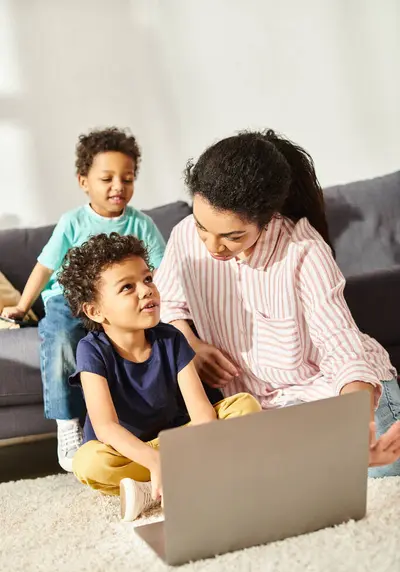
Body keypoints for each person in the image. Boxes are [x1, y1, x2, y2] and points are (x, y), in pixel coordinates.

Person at [154, 129, 400, 478]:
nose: (213, 246)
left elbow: (341, 346)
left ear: (267, 218)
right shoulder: (183, 237)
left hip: (330, 388)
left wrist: (355, 422)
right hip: (259, 406)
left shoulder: (303, 251)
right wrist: (191, 344)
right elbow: (166, 305)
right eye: (203, 228)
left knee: (380, 469)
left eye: (233, 236)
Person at [58, 233, 260, 521]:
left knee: (244, 406)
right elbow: (105, 428)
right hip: (130, 451)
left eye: (148, 279)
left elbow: (201, 411)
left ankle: (150, 488)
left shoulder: (171, 338)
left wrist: (181, 451)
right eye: (128, 287)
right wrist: (154, 460)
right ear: (95, 311)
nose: (146, 290)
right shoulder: (91, 350)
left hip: (181, 440)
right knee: (88, 462)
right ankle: (182, 475)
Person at [1, 127, 166, 472]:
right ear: (83, 181)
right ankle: (67, 422)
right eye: (106, 178)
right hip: (71, 301)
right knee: (61, 338)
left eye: (127, 178)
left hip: (122, 307)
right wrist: (23, 304)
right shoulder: (73, 222)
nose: (118, 186)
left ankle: (143, 423)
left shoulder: (143, 225)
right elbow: (45, 267)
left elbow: (164, 272)